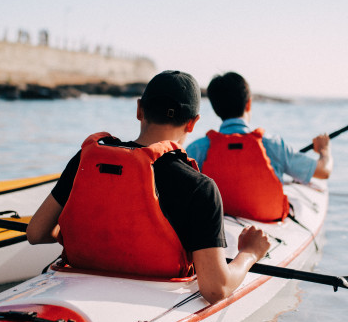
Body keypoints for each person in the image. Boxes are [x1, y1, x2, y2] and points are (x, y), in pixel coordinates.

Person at [27, 70, 272, 305]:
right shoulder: (200, 187)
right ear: (193, 123)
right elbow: (216, 289)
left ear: (139, 109)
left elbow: (36, 232)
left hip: (76, 285)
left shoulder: (86, 160)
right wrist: (249, 253)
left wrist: (90, 238)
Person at [186, 72, 332, 222]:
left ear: (215, 108)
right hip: (268, 222)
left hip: (220, 221)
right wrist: (324, 150)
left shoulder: (197, 149)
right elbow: (323, 172)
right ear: (248, 104)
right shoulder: (272, 144)